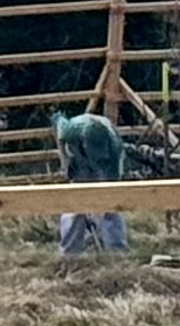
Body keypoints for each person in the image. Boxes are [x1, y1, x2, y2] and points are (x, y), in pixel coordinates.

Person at [52, 107, 130, 255]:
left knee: (110, 203)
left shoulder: (114, 148)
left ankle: (117, 250)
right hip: (77, 156)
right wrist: (65, 164)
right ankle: (69, 253)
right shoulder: (71, 131)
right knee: (75, 202)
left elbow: (114, 179)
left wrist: (105, 192)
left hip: (105, 162)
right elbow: (58, 122)